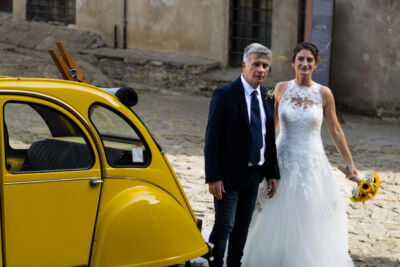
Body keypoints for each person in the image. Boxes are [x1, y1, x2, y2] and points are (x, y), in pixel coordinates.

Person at [241, 42, 357, 266]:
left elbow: (335, 129)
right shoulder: (281, 89)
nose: (305, 64)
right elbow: (271, 125)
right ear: (293, 62)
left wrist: (349, 162)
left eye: (309, 60)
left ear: (315, 64)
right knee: (273, 210)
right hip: (283, 158)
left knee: (308, 210)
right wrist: (258, 152)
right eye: (301, 59)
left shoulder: (324, 93)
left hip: (312, 162)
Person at [204, 43, 280, 267]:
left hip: (254, 175)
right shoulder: (225, 95)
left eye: (265, 65)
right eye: (256, 64)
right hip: (227, 176)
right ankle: (215, 263)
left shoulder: (267, 96)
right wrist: (213, 177)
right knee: (224, 225)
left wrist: (273, 173)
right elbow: (212, 140)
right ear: (244, 64)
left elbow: (269, 139)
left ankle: (234, 263)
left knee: (242, 226)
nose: (261, 69)